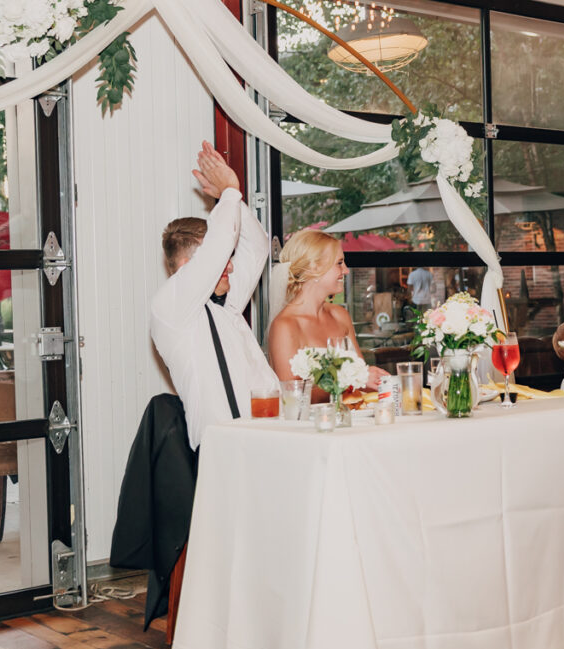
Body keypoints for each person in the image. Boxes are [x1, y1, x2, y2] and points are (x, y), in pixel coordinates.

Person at [150, 141, 279, 449]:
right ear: (185, 268)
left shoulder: (227, 303)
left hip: (268, 439)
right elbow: (220, 245)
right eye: (223, 262)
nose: (231, 267)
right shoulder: (171, 308)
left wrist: (228, 199)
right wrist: (230, 192)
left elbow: (257, 246)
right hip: (224, 451)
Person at [268, 230, 389, 400]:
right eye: (339, 263)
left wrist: (376, 381)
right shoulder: (285, 326)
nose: (346, 270)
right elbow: (292, 396)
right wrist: (354, 379)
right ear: (314, 268)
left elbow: (360, 380)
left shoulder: (340, 315)